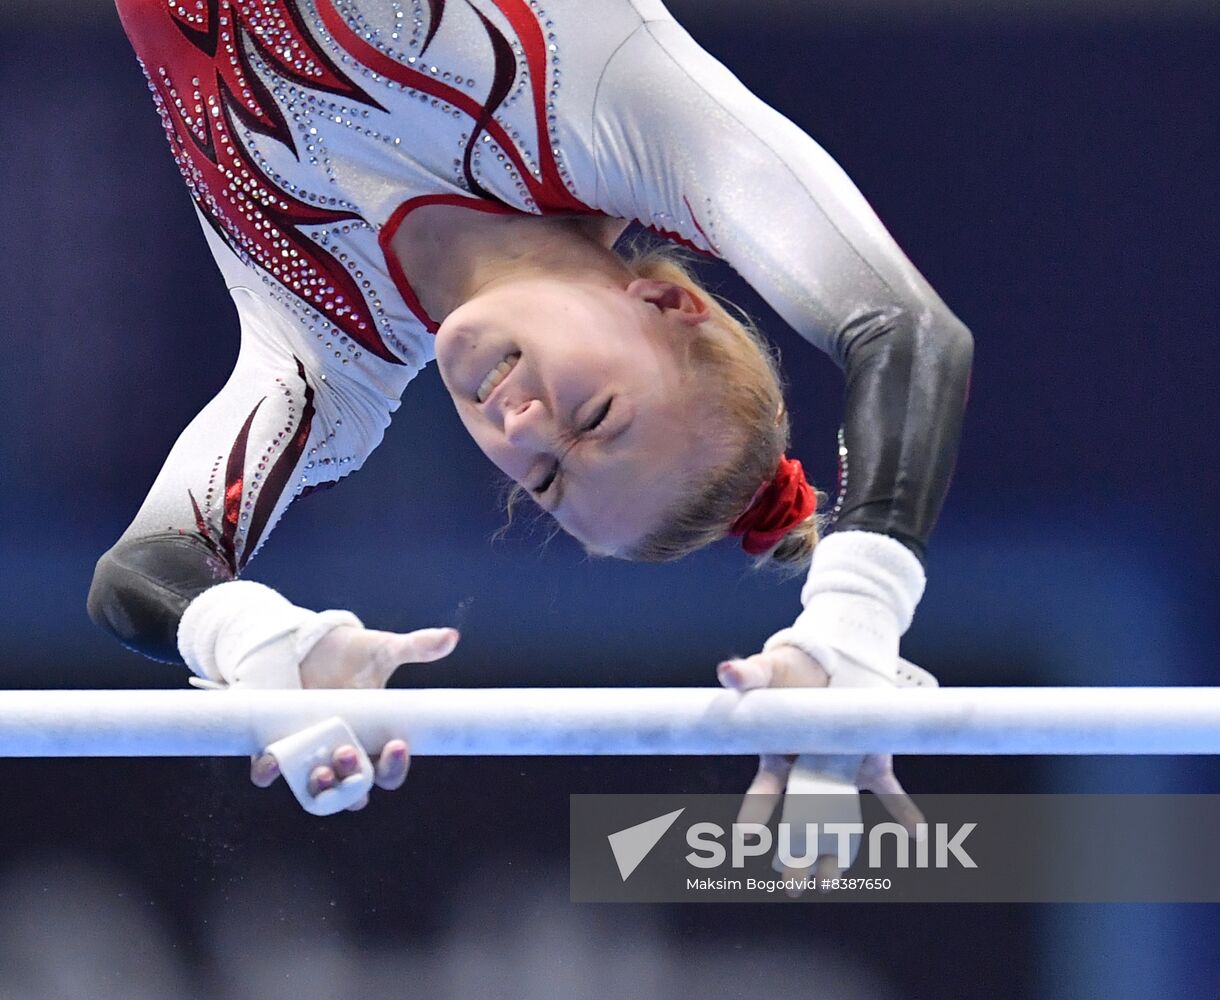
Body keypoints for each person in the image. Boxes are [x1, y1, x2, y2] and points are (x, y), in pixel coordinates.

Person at [91, 0, 972, 876]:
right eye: (598, 418)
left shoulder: (326, 358)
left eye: (545, 479)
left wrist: (249, 638)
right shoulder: (602, 93)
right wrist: (859, 613)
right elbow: (903, 329)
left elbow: (146, 571)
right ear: (667, 305)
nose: (521, 426)